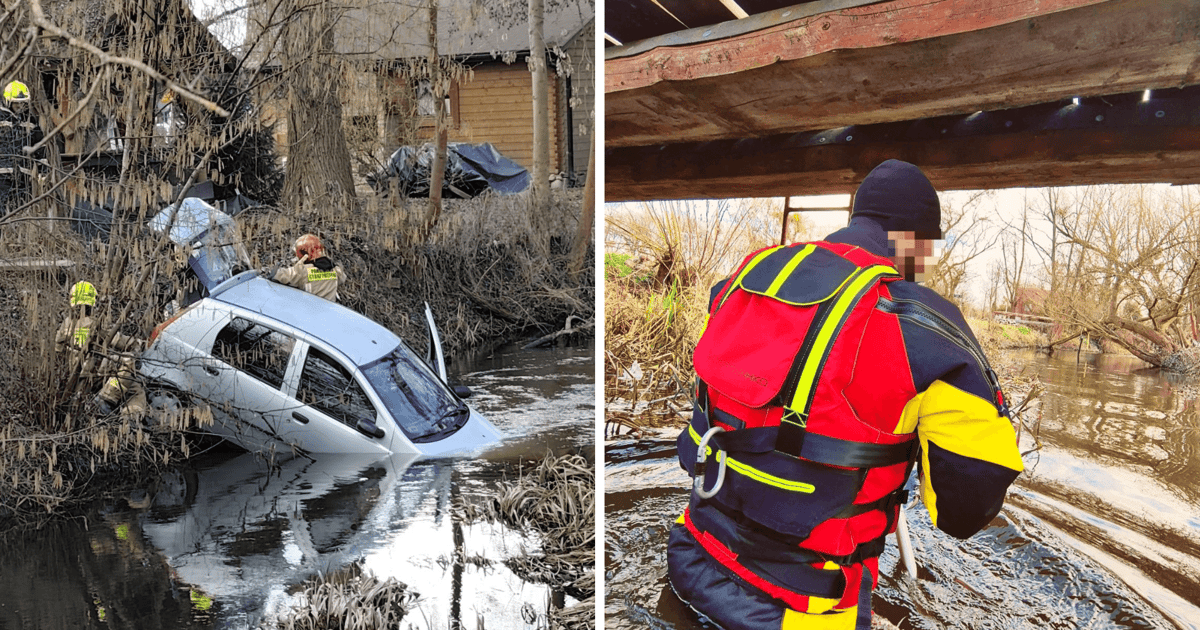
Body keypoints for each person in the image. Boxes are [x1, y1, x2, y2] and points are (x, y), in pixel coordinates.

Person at [667, 159, 1024, 630]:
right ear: (914, 240)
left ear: (857, 219)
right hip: (800, 614)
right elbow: (965, 510)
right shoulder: (924, 328)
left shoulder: (743, 280)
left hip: (689, 565)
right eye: (929, 248)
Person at [56, 280, 145, 416]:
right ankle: (107, 400)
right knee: (129, 363)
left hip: (73, 372)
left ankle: (126, 413)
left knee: (133, 386)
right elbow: (121, 342)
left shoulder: (65, 324)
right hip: (93, 370)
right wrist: (139, 343)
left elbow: (58, 351)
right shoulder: (96, 324)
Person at [0, 80, 44, 215]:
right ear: (8, 101)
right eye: (16, 103)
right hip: (2, 174)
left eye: (22, 103)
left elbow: (40, 146)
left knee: (21, 210)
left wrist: (43, 171)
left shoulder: (30, 120)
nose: (19, 106)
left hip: (24, 176)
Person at [264, 233, 343, 302]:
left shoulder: (302, 271)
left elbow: (277, 275)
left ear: (305, 254)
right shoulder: (336, 270)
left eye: (297, 253)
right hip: (329, 313)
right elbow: (341, 279)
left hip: (308, 313)